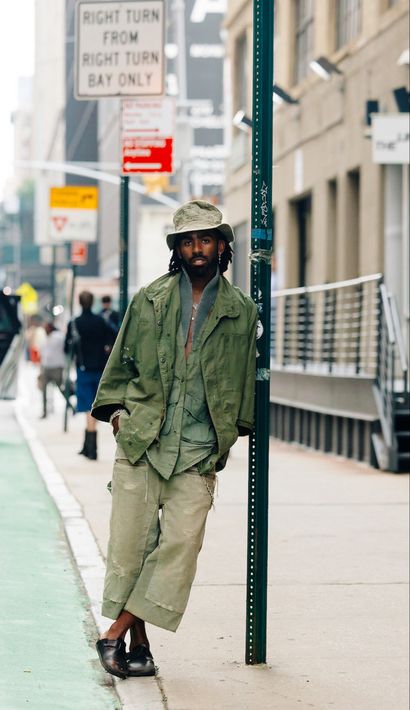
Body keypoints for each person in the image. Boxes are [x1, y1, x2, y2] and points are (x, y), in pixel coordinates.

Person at [91, 200, 258, 679]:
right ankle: (139, 648)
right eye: (187, 240)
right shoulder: (150, 299)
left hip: (199, 449)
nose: (197, 248)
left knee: (181, 546)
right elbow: (119, 364)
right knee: (130, 548)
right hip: (143, 441)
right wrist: (121, 417)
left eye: (205, 239)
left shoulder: (240, 311)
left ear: (223, 245)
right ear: (178, 249)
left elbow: (244, 381)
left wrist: (227, 438)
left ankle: (113, 632)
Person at [65, 291, 116, 460]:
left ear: (80, 303)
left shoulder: (75, 323)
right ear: (93, 302)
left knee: (88, 408)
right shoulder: (101, 321)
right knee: (94, 406)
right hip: (100, 369)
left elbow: (67, 348)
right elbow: (113, 337)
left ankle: (91, 448)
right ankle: (87, 446)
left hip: (83, 369)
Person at [38, 322, 66, 419]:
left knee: (61, 389)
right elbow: (43, 353)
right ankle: (44, 411)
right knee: (44, 390)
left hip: (56, 367)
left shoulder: (58, 337)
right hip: (46, 367)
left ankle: (70, 407)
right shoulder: (45, 338)